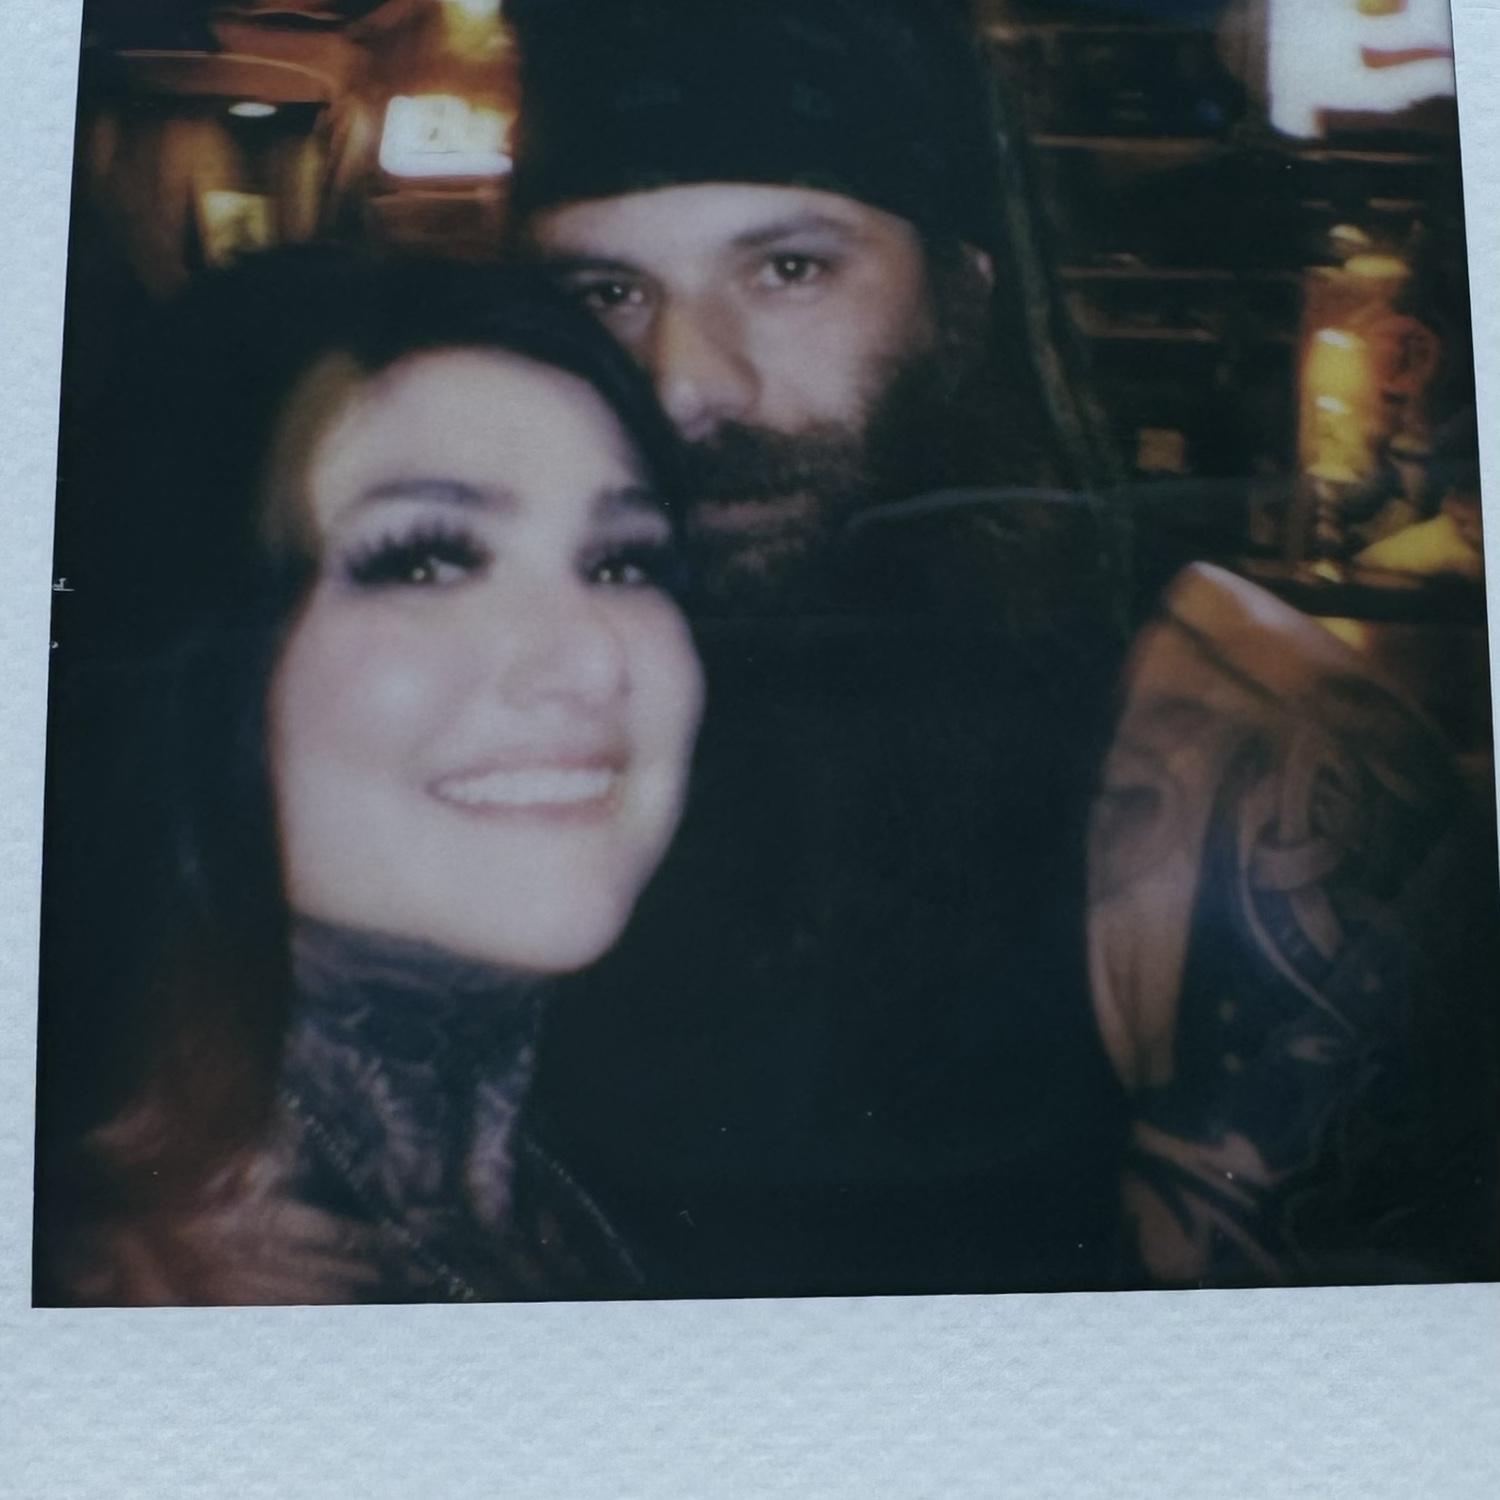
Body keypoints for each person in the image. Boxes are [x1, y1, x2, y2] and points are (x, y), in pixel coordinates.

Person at [504, 0, 1499, 1293]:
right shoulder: (487, 707)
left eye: (789, 269)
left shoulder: (1240, 766)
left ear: (962, 302)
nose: (686, 384)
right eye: (609, 292)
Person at [33, 251, 705, 1305]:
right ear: (203, 644)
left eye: (623, 562)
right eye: (425, 561)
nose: (588, 660)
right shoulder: (118, 1298)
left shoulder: (613, 1170)